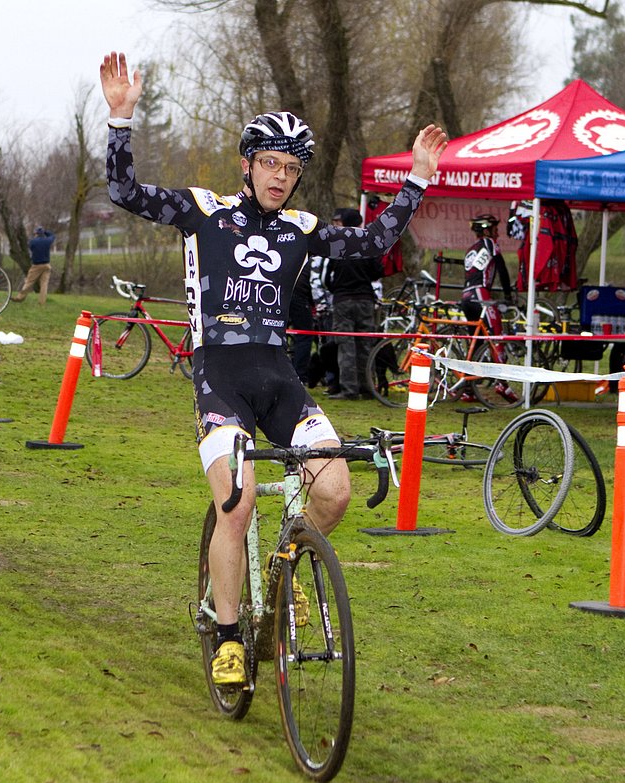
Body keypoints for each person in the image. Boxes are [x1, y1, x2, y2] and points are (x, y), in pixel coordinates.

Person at [99, 51, 446, 686]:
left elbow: (372, 242)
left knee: (335, 489)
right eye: (270, 165)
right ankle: (229, 637)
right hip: (219, 375)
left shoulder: (304, 228)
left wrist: (417, 180)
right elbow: (124, 192)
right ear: (248, 165)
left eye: (291, 168)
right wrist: (120, 120)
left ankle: (285, 568)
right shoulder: (204, 211)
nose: (281, 177)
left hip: (278, 375)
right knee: (238, 501)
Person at [324, 208, 384, 400]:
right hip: (365, 299)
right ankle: (368, 387)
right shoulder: (368, 245)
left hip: (343, 300)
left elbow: (326, 277)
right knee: (366, 344)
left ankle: (349, 390)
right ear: (359, 223)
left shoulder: (338, 245)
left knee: (346, 346)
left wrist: (336, 289)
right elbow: (377, 272)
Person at [459, 214, 516, 403]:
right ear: (486, 231)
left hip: (466, 296)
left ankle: (468, 388)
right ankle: (502, 384)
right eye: (495, 229)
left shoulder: (471, 248)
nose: (498, 233)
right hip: (480, 295)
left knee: (475, 343)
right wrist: (508, 295)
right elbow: (501, 268)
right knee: (496, 336)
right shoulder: (489, 243)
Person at [13, 227, 56, 305]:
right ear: (43, 234)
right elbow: (53, 236)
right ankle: (42, 302)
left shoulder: (32, 242)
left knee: (29, 282)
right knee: (44, 285)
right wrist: (46, 232)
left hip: (36, 265)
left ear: (36, 234)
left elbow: (30, 247)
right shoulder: (47, 241)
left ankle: (20, 297)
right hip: (46, 265)